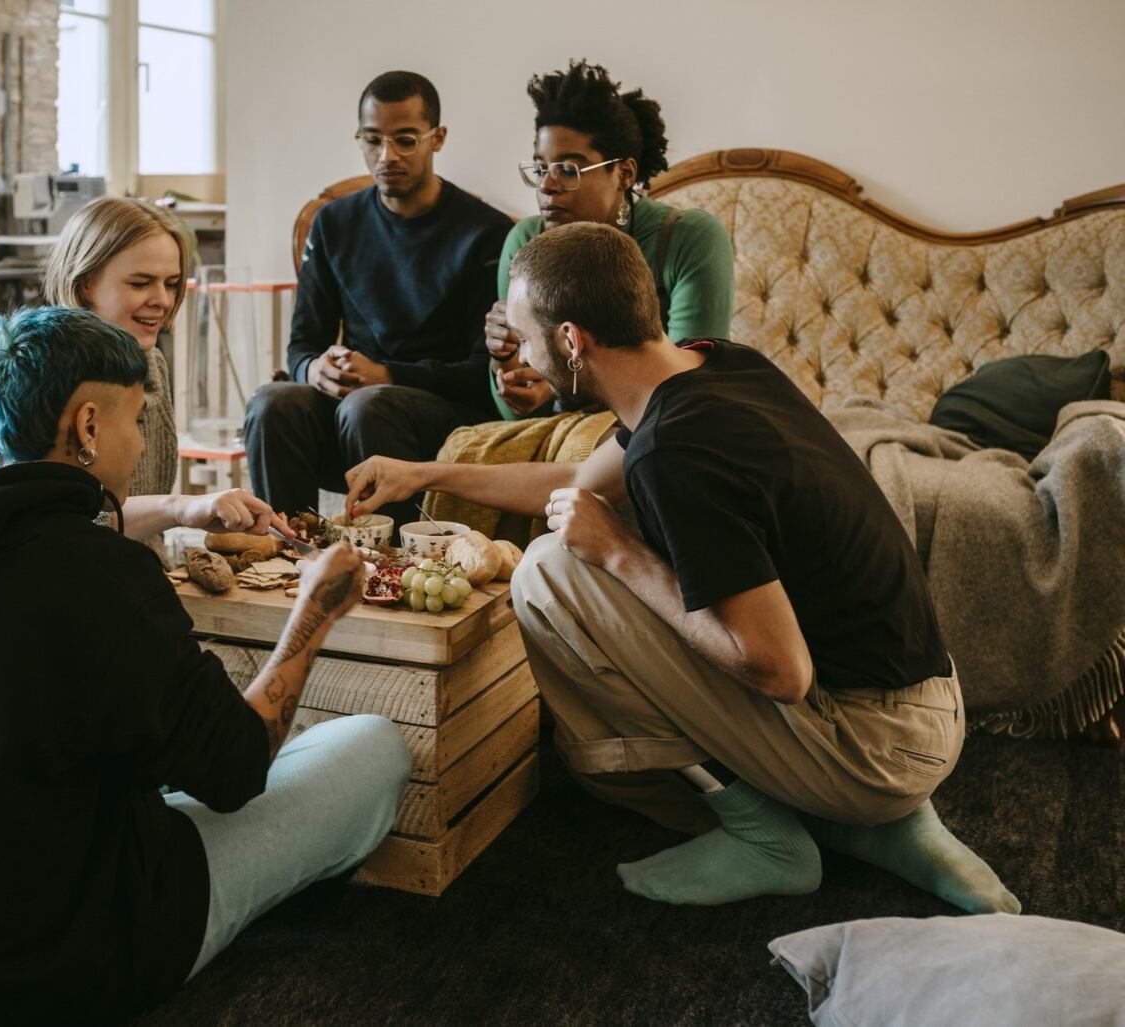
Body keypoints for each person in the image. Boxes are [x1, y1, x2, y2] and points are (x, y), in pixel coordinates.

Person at [345, 223, 1019, 912]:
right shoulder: (715, 362)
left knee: (548, 575)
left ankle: (767, 833)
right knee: (591, 534)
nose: (519, 357)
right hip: (926, 706)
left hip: (880, 746)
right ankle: (887, 826)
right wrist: (422, 473)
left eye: (523, 339)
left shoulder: (676, 450)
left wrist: (619, 553)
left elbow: (782, 671)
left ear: (572, 341)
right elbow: (579, 477)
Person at [0, 307, 411, 1025]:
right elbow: (237, 769)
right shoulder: (102, 578)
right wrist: (315, 612)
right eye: (137, 420)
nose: (141, 437)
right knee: (373, 746)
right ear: (88, 426)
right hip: (50, 969)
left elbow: (34, 530)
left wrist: (184, 508)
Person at [0, 196, 276, 563]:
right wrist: (179, 507)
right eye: (141, 282)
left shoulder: (150, 363)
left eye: (172, 283)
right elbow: (36, 531)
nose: (162, 300)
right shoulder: (28, 374)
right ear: (85, 284)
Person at [243, 70, 513, 530]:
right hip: (354, 409)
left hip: (442, 416)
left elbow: (481, 376)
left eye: (405, 140)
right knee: (273, 403)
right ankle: (291, 550)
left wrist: (385, 375)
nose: (386, 156)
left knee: (368, 404)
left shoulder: (485, 233)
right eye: (372, 139)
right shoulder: (333, 225)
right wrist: (316, 370)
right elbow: (302, 346)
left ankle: (391, 566)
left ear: (437, 138)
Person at [487, 59, 733, 419]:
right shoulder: (525, 242)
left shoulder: (688, 238)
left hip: (662, 428)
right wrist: (505, 358)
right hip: (558, 436)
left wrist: (563, 387)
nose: (547, 186)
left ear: (624, 173)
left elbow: (688, 390)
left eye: (568, 169)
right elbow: (515, 421)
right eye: (540, 168)